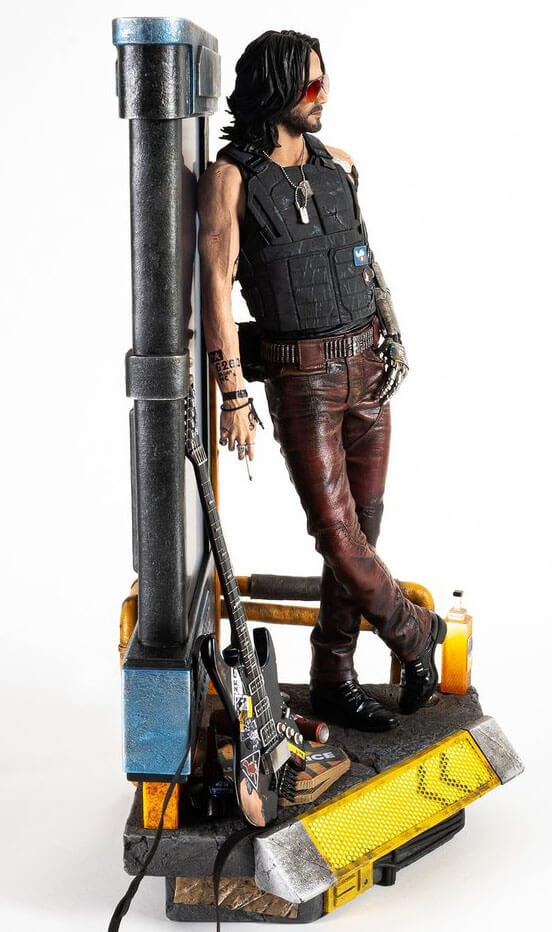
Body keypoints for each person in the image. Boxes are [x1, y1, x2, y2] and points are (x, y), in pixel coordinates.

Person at [197, 29, 446, 731]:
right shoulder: (231, 179)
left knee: (364, 529)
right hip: (302, 380)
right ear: (273, 89)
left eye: (323, 78)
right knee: (337, 535)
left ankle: (334, 677)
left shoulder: (340, 165)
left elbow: (365, 256)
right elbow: (214, 288)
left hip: (369, 366)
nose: (323, 92)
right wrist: (233, 392)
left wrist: (393, 332)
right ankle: (416, 634)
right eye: (310, 82)